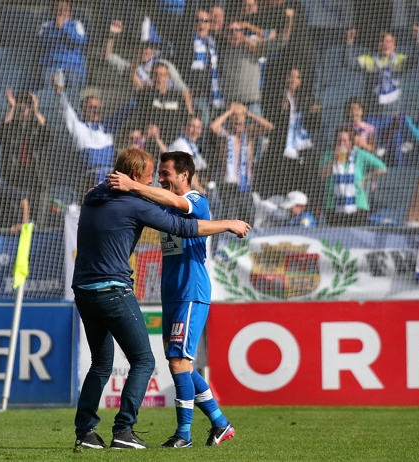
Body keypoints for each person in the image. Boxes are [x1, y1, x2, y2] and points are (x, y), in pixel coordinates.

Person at [72, 147, 250, 450]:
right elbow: (161, 203)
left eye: (165, 174)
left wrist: (227, 223)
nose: (159, 179)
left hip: (190, 291)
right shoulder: (148, 203)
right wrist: (130, 187)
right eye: (156, 174)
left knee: (176, 361)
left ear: (184, 175)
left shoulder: (194, 200)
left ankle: (184, 434)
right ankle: (220, 423)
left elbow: (180, 210)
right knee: (176, 362)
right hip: (169, 292)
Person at [260, 67, 321, 199]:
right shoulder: (277, 96)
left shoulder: (305, 98)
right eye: (291, 76)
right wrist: (280, 110)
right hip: (282, 143)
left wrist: (314, 113)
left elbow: (314, 124)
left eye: (297, 77)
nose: (293, 79)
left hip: (301, 144)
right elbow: (271, 119)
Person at [210, 102, 274, 223]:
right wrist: (229, 111)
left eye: (240, 115)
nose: (238, 118)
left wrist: (248, 113)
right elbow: (213, 127)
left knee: (248, 218)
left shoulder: (249, 133)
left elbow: (269, 127)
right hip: (228, 185)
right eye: (234, 115)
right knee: (230, 217)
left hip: (245, 184)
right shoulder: (225, 135)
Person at [0, 89, 50, 223]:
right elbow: (0, 132)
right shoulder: (11, 127)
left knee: (38, 217)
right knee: (16, 216)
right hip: (15, 175)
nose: (21, 111)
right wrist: (12, 108)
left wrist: (36, 111)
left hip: (37, 176)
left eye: (25, 107)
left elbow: (48, 134)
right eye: (19, 107)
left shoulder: (35, 126)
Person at [345, 26, 419, 116]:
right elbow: (348, 62)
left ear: (394, 45)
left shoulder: (399, 60)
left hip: (394, 112)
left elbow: (417, 60)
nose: (385, 44)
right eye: (382, 41)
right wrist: (349, 41)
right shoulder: (369, 60)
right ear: (376, 45)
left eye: (388, 41)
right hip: (373, 112)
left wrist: (417, 38)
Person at [319, 127, 387, 227]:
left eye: (345, 140)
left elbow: (382, 168)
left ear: (350, 143)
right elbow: (322, 175)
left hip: (358, 205)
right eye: (339, 140)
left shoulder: (360, 155)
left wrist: (365, 178)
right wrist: (334, 158)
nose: (341, 143)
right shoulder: (328, 155)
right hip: (333, 206)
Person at [174, 9, 224, 128]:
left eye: (205, 21)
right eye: (198, 20)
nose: (201, 24)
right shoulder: (186, 41)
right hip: (194, 96)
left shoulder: (213, 43)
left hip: (213, 97)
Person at [133, 62, 194, 146]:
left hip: (174, 142)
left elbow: (187, 118)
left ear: (168, 77)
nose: (159, 78)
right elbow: (134, 78)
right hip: (152, 141)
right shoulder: (145, 93)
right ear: (151, 76)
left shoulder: (177, 96)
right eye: (156, 74)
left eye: (163, 75)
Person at [37, 0, 87, 89]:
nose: (61, 12)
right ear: (53, 12)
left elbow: (80, 40)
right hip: (51, 66)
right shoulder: (46, 25)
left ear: (70, 12)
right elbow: (42, 41)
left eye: (64, 9)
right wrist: (57, 29)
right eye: (58, 9)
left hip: (73, 67)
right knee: (48, 88)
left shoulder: (76, 24)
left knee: (72, 89)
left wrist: (63, 28)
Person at [168, 116, 208, 194]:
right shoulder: (182, 145)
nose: (195, 131)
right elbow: (189, 175)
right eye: (192, 126)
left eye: (198, 127)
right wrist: (203, 192)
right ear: (184, 128)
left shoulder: (192, 145)